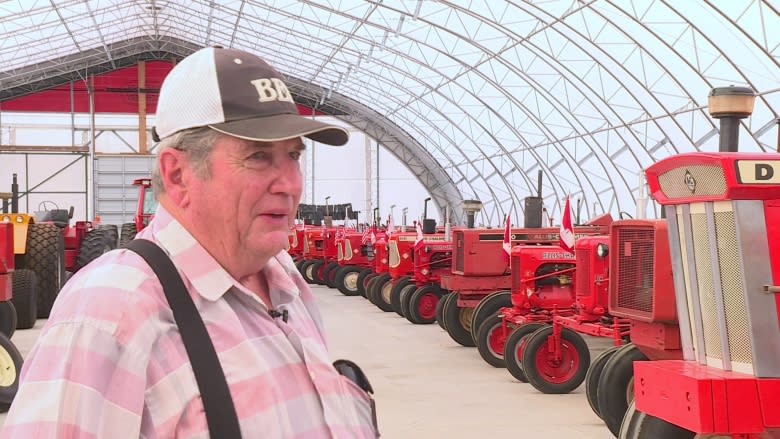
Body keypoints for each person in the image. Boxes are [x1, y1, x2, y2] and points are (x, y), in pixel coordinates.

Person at [2, 47, 378, 438]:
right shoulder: (112, 310)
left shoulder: (284, 279)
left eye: (294, 155)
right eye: (258, 156)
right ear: (178, 173)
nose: (290, 185)